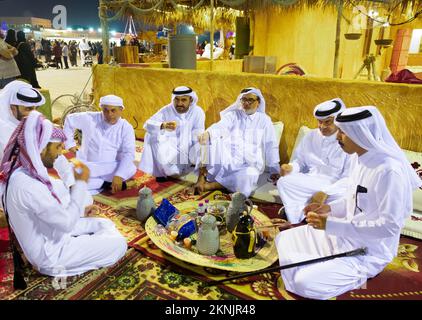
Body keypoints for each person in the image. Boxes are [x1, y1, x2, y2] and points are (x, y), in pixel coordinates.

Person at [275, 106, 422, 300]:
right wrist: (329, 208)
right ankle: (318, 264)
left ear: (361, 133)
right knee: (283, 239)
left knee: (304, 283)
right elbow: (354, 200)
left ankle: (357, 277)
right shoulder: (358, 159)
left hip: (366, 251)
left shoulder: (389, 172)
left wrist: (331, 225)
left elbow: (389, 227)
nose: (338, 137)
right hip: (342, 235)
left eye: (344, 132)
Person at [0, 111, 127, 281]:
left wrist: (81, 212)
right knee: (119, 243)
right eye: (57, 147)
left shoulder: (19, 170)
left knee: (104, 223)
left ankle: (90, 241)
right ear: (42, 146)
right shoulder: (28, 186)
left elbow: (50, 209)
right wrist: (81, 183)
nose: (61, 151)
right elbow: (66, 224)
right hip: (51, 254)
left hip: (49, 232)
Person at [276, 98, 352, 223]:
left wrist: (325, 192)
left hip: (335, 185)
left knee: (345, 198)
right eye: (319, 122)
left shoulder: (348, 141)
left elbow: (349, 178)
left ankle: (297, 211)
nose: (322, 127)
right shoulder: (310, 136)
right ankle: (300, 216)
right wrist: (291, 168)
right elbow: (300, 162)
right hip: (312, 180)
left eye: (327, 122)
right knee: (284, 182)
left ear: (338, 121)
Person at [195, 87, 280, 197]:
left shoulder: (264, 120)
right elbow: (220, 126)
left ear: (258, 103)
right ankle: (201, 178)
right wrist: (208, 133)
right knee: (209, 138)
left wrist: (274, 170)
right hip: (228, 157)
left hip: (249, 162)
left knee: (249, 176)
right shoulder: (233, 115)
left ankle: (211, 186)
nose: (246, 103)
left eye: (250, 100)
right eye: (244, 100)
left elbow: (270, 144)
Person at [0, 80, 76, 191]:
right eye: (28, 109)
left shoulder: (32, 123)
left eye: (36, 109)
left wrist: (70, 182)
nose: (34, 114)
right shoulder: (3, 130)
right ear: (12, 108)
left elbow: (56, 155)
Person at [63, 94, 136, 195]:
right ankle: (105, 184)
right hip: (88, 165)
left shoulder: (126, 127)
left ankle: (103, 182)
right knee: (66, 176)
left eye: (113, 110)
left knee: (130, 168)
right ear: (101, 109)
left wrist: (119, 175)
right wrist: (70, 144)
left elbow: (129, 153)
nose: (109, 114)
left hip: (112, 167)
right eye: (105, 110)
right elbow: (69, 119)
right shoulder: (90, 118)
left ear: (121, 110)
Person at [139, 86, 205, 182]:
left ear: (190, 99)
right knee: (150, 134)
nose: (179, 103)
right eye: (176, 100)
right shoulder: (167, 110)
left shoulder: (198, 112)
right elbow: (147, 125)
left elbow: (198, 133)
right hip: (169, 150)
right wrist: (162, 125)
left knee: (206, 141)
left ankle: (185, 168)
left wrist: (197, 156)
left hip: (187, 150)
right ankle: (161, 172)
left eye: (183, 100)